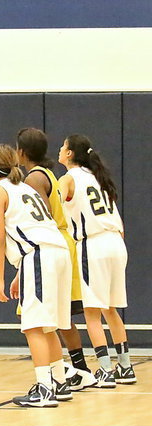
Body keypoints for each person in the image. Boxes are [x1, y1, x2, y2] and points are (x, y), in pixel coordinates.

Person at [0, 144, 72, 407]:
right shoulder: (25, 187)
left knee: (33, 324)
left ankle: (44, 388)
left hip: (39, 255)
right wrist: (21, 271)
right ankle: (59, 381)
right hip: (56, 252)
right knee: (49, 324)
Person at [15, 128, 97, 392]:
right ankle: (67, 373)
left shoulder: (35, 179)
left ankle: (63, 375)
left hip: (51, 246)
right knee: (60, 316)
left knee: (49, 318)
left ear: (21, 152)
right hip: (62, 244)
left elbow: (37, 222)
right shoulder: (51, 174)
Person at [58, 135, 134, 386]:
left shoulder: (68, 179)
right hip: (116, 243)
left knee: (92, 313)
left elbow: (52, 206)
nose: (59, 150)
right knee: (110, 309)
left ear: (69, 154)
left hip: (93, 244)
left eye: (63, 146)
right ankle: (125, 367)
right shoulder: (98, 178)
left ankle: (104, 370)